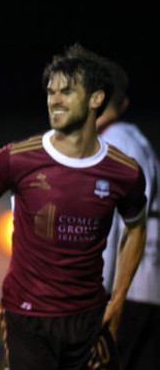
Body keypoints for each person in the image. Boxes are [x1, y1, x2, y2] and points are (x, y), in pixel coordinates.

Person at [0, 43, 147, 370]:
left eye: (67, 91)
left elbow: (137, 227)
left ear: (96, 98)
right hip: (27, 319)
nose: (54, 100)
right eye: (50, 92)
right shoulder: (16, 158)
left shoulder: (125, 171)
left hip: (90, 318)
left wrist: (118, 299)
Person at [95, 56, 160, 370]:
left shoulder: (112, 143)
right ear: (124, 103)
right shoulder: (138, 139)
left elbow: (116, 223)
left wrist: (104, 293)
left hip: (127, 288)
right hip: (149, 285)